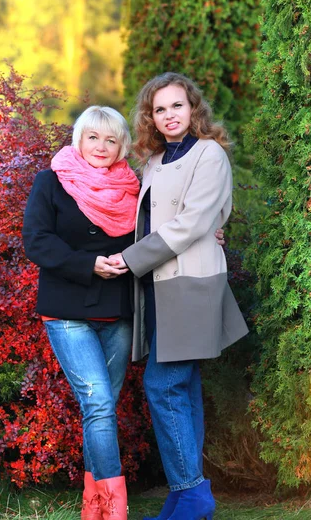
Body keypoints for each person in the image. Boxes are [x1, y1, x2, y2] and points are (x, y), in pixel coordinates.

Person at [109, 72, 249, 520]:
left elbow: (191, 222)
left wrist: (129, 259)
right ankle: (186, 497)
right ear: (150, 117)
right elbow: (152, 218)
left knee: (163, 383)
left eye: (177, 106)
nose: (169, 115)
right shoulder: (155, 159)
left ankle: (191, 493)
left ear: (194, 109)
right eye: (160, 109)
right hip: (158, 287)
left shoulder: (209, 154)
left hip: (190, 284)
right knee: (182, 387)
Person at [22, 106, 138, 520]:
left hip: (117, 311)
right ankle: (113, 510)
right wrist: (87, 264)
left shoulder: (133, 188)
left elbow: (163, 228)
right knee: (101, 405)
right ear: (79, 140)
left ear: (122, 145)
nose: (102, 146)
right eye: (93, 137)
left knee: (101, 410)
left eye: (111, 139)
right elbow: (35, 241)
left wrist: (211, 229)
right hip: (68, 310)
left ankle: (95, 508)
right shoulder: (50, 183)